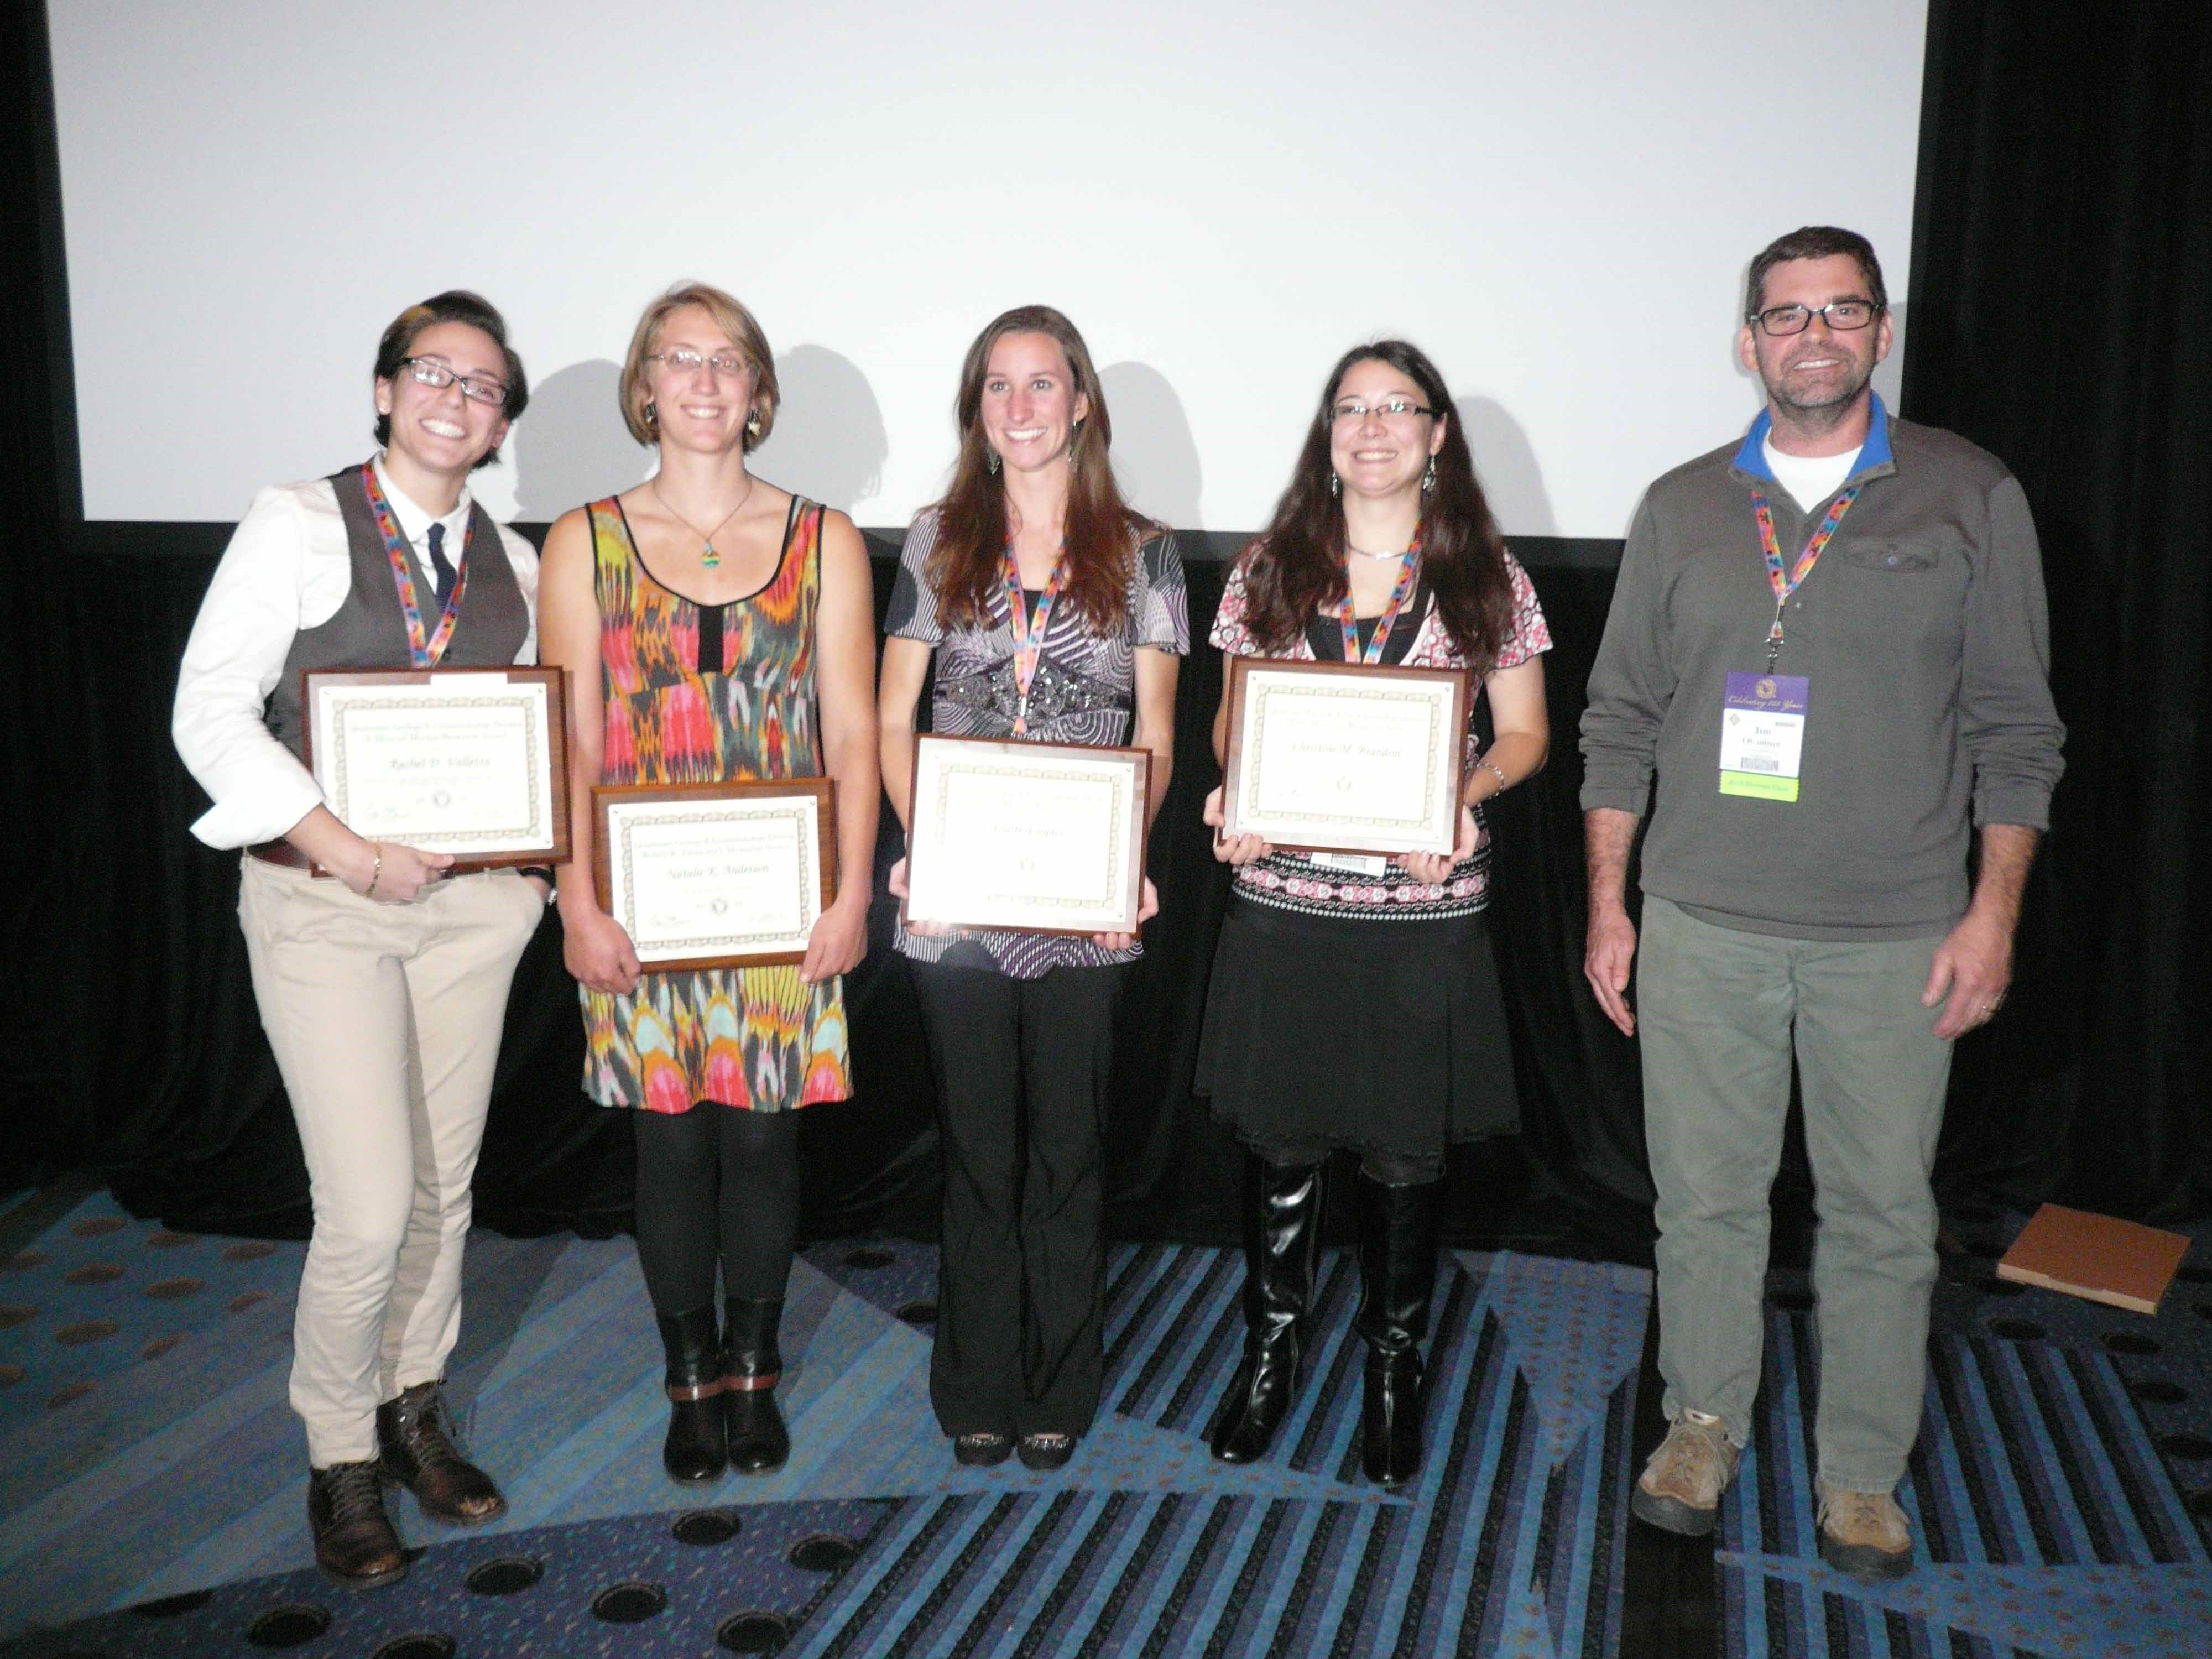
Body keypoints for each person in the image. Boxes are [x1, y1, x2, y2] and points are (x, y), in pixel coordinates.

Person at [1580, 226, 2065, 1580]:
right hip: (1700, 919)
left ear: (1877, 333)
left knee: (1880, 1216)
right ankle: (1699, 1423)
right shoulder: (1679, 506)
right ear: (1746, 342)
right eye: (1784, 315)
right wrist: (1608, 904)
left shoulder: (1969, 496)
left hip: (1897, 930)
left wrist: (1992, 914)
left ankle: (1859, 1470)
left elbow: (2017, 730)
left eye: (1839, 312)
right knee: (1705, 1201)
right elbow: (1617, 720)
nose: (1811, 336)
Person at [172, 292, 543, 1587]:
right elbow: (211, 715)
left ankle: (413, 1408)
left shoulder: (515, 557)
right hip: (325, 904)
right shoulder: (297, 519)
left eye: (483, 385)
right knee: (370, 1203)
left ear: (502, 421)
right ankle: (337, 1457)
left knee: (445, 1189)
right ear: (385, 390)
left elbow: (529, 738)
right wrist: (346, 849)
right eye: (431, 373)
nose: (455, 398)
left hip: (470, 914)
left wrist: (528, 867)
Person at [539, 283, 878, 1484]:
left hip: (786, 902)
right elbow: (569, 747)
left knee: (766, 1144)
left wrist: (848, 896)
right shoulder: (580, 541)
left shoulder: (823, 537)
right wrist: (575, 902)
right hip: (640, 904)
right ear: (644, 388)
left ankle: (755, 1371)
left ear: (755, 392)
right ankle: (690, 1384)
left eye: (725, 360)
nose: (700, 380)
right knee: (670, 1149)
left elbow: (850, 734)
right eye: (676, 359)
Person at [1198, 339, 1552, 1487]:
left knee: (1404, 1153)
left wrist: (1459, 793)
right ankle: (1269, 1354)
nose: (1372, 426)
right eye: (1350, 407)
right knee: (1282, 1144)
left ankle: (1392, 1367)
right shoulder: (1266, 567)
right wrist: (1235, 786)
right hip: (1285, 902)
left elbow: (1527, 738)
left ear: (1438, 433)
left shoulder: (1486, 573)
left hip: (1419, 912)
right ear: (1326, 431)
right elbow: (1226, 720)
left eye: (1397, 407)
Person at [879, 305, 1188, 1472]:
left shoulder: (1145, 551)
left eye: (1042, 384)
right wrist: (927, 843)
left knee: (1067, 1147)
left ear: (1081, 403)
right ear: (978, 409)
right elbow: (883, 711)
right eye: (997, 386)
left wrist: (1122, 860)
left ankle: (1057, 1380)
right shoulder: (931, 539)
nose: (1020, 407)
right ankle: (972, 1383)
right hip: (956, 893)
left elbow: (1152, 733)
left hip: (1083, 898)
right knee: (976, 1147)